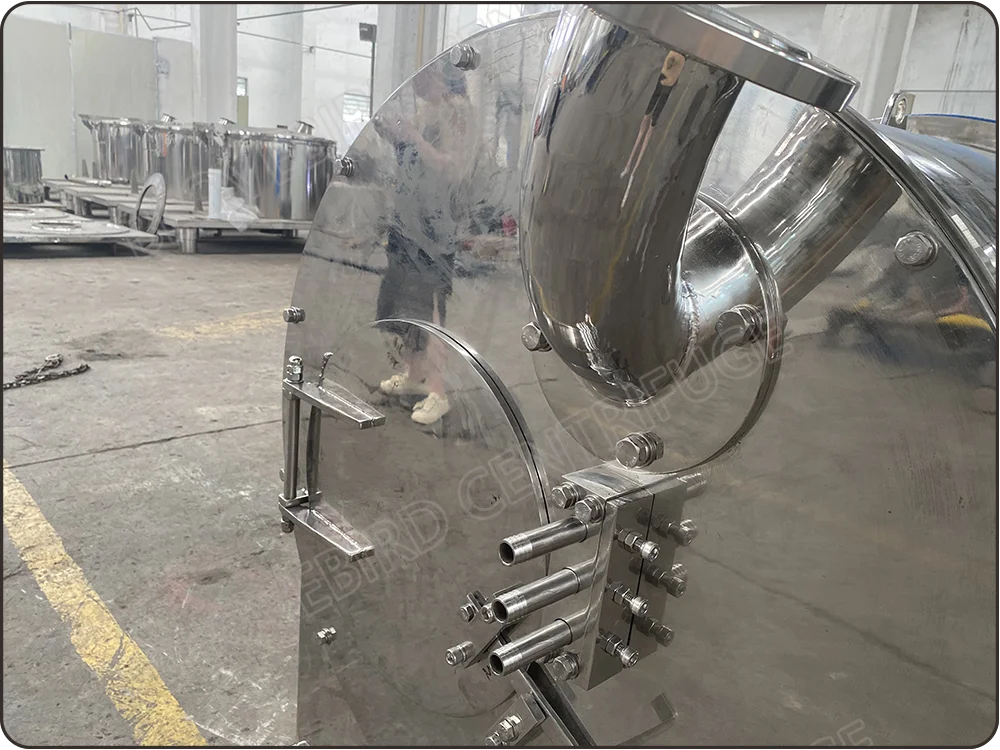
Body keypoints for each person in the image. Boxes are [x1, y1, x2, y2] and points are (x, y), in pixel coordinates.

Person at [371, 66, 475, 425]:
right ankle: (415, 375)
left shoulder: (458, 113)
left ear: (444, 80)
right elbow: (415, 160)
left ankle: (438, 392)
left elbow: (452, 169)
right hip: (408, 222)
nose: (418, 85)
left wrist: (414, 136)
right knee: (406, 303)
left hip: (434, 229)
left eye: (425, 79)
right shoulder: (425, 111)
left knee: (431, 311)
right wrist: (393, 135)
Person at [621, 50, 687, 180]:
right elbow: (670, 79)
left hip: (662, 88)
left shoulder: (674, 59)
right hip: (663, 90)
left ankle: (631, 168)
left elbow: (667, 77)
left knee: (648, 124)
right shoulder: (679, 60)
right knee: (649, 125)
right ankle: (631, 169)